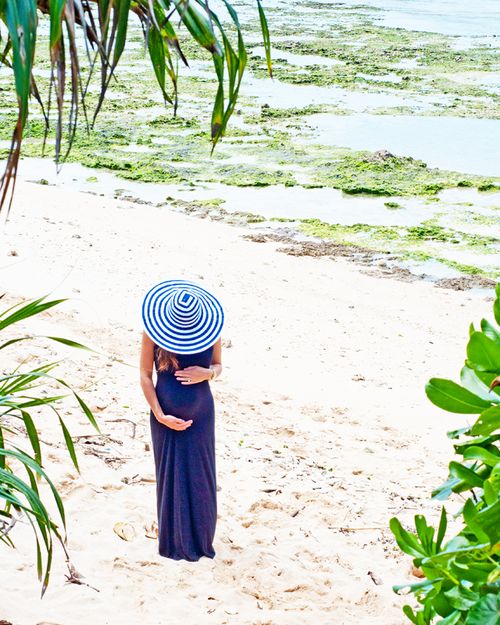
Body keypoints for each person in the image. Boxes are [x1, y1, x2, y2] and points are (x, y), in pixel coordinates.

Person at [139, 279, 224, 561]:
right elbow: (144, 375)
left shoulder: (210, 331)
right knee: (170, 476)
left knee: (201, 476)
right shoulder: (152, 333)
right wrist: (159, 414)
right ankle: (172, 540)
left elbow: (219, 365)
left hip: (202, 416)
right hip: (164, 417)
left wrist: (208, 374)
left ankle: (200, 541)